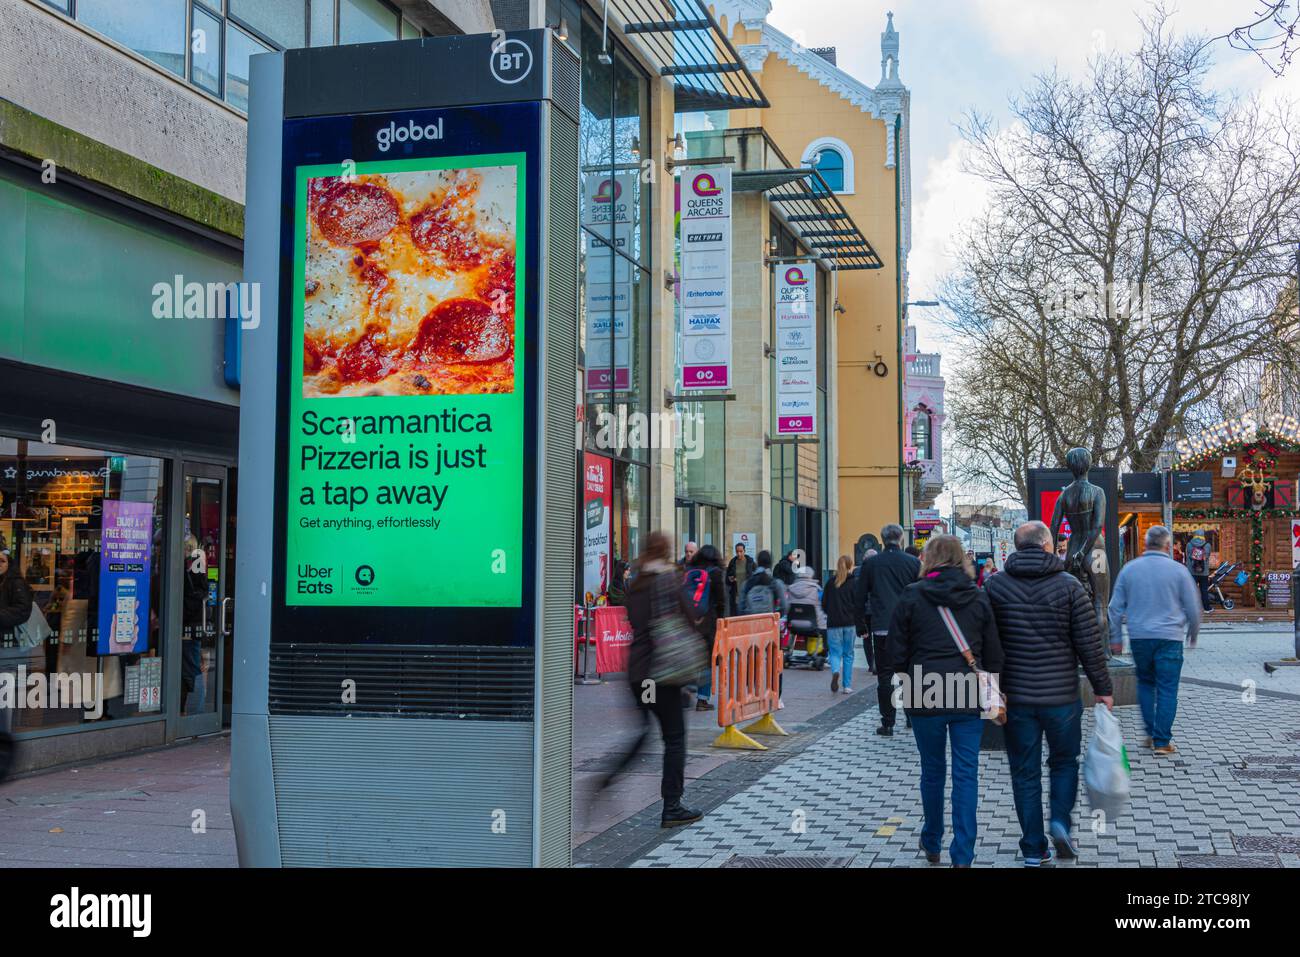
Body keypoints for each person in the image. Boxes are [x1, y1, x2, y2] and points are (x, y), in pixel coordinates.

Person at [985, 520, 1115, 866]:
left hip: (1018, 699)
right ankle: (1060, 821)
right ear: (1047, 546)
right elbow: (1090, 644)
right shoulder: (1069, 586)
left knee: (1024, 772)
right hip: (1061, 698)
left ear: (1016, 547)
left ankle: (1032, 848)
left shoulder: (995, 587)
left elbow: (986, 643)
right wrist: (1103, 689)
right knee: (1063, 762)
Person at [887, 535, 1003, 868]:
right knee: (966, 774)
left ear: (929, 559)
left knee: (932, 771)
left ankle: (932, 839)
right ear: (961, 559)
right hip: (966, 692)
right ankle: (963, 854)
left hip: (924, 691)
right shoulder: (978, 597)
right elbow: (994, 653)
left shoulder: (911, 595)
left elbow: (895, 651)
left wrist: (906, 672)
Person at [618, 531, 705, 827]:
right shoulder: (668, 580)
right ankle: (672, 806)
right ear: (666, 551)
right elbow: (690, 614)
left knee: (646, 730)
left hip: (641, 678)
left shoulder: (636, 582)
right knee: (675, 737)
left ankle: (610, 777)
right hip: (663, 674)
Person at [1109, 525, 1201, 756]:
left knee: (1146, 685)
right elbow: (1193, 606)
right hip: (1170, 639)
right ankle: (1162, 741)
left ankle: (1150, 733)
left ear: (1146, 544)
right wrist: (1193, 632)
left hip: (1140, 638)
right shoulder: (1178, 571)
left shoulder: (1129, 570)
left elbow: (1114, 608)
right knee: (1168, 689)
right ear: (1168, 546)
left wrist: (1116, 638)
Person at [859, 524, 922, 736]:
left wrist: (861, 623)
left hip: (882, 627)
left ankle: (887, 722)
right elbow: (922, 594)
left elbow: (860, 596)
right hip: (909, 627)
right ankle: (912, 716)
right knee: (910, 673)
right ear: (901, 538)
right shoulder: (913, 563)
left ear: (882, 539)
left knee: (885, 676)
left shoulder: (872, 564)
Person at [0, 549, 35, 778]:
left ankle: (5, 737)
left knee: (4, 695)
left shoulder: (16, 582)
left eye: (1, 560)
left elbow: (23, 610)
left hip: (8, 646)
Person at [686, 544, 726, 712]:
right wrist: (723, 622)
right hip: (708, 623)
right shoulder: (716, 573)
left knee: (691, 657)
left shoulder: (689, 571)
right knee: (708, 661)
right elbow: (722, 601)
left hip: (689, 621)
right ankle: (702, 699)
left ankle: (687, 687)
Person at [822, 555, 862, 694]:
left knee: (834, 653)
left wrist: (831, 613)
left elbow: (824, 604)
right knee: (848, 654)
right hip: (849, 623)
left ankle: (835, 671)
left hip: (833, 623)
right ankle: (847, 686)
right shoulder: (854, 583)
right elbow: (858, 604)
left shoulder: (830, 583)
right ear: (851, 565)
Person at [739, 549, 787, 615]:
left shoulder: (746, 584)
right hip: (770, 622)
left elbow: (741, 609)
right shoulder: (776, 583)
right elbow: (784, 607)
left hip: (751, 622)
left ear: (757, 562)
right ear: (771, 563)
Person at [1183, 530, 1212, 613]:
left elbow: (1187, 556)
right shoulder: (1207, 545)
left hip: (1192, 572)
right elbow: (1207, 556)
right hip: (1204, 572)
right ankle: (1206, 608)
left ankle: (1190, 608)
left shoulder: (1189, 544)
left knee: (1190, 590)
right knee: (1204, 590)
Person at [725, 543, 756, 616]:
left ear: (744, 551)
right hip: (736, 594)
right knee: (736, 616)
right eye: (737, 552)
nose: (739, 554)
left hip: (748, 593)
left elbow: (755, 576)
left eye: (741, 551)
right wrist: (730, 579)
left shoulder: (750, 562)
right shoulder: (732, 562)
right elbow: (727, 579)